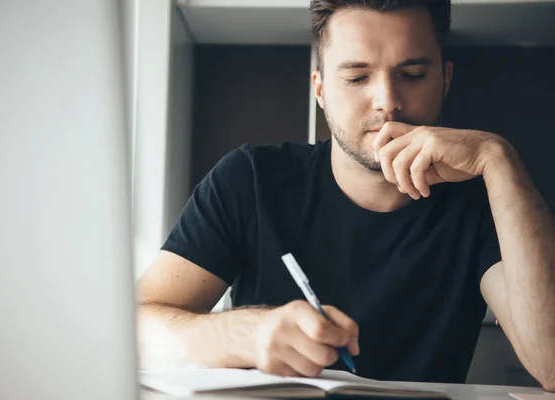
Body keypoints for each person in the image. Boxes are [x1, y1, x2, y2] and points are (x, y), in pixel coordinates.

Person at [137, 0, 555, 389]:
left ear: (445, 79)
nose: (388, 102)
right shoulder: (250, 180)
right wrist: (246, 333)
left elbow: (551, 365)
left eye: (412, 74)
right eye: (357, 77)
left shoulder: (485, 202)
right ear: (320, 89)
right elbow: (134, 328)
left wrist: (498, 159)